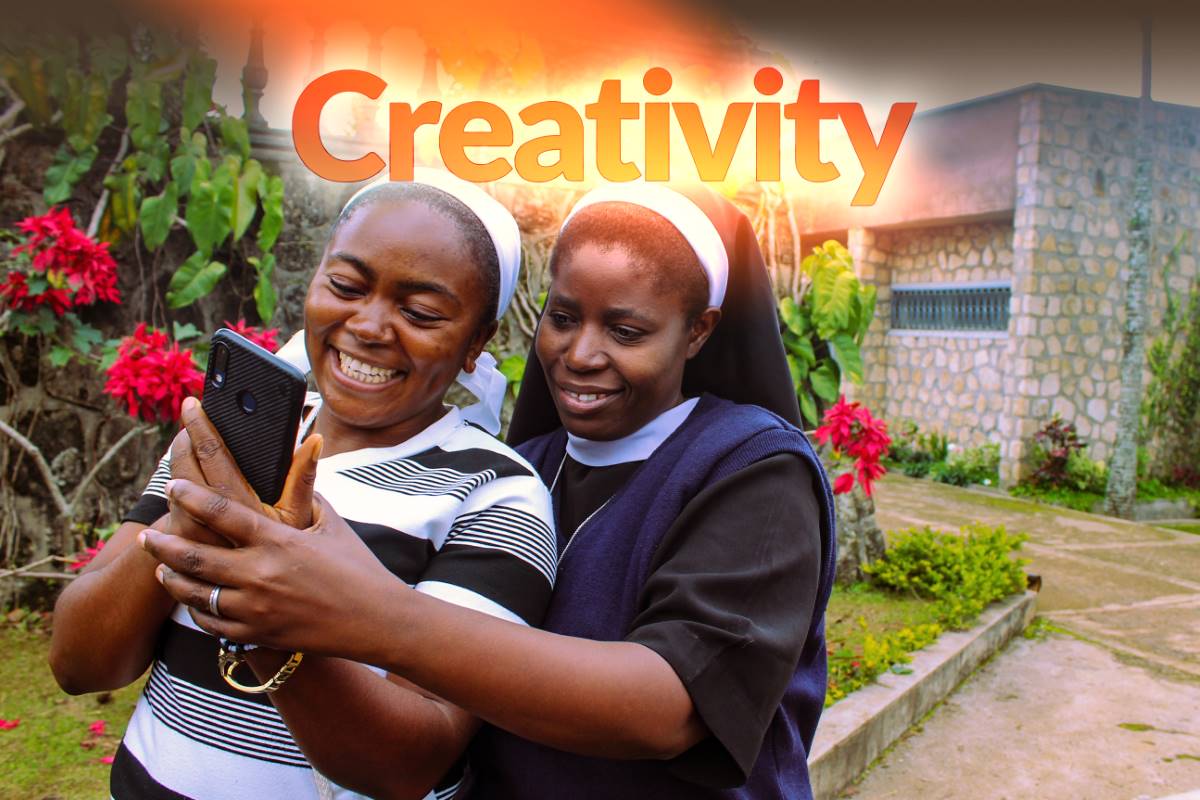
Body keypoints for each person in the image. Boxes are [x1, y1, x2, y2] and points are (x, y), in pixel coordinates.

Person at [140, 183, 836, 799]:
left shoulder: (754, 469)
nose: (581, 353)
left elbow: (670, 707)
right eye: (563, 317)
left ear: (698, 331)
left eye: (626, 330)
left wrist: (367, 613)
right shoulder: (525, 465)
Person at [49, 171, 557, 800]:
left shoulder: (497, 492)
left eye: (420, 311)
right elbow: (80, 665)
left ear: (477, 342)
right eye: (345, 286)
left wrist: (267, 608)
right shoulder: (227, 439)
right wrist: (187, 525)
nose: (369, 326)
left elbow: (408, 764)